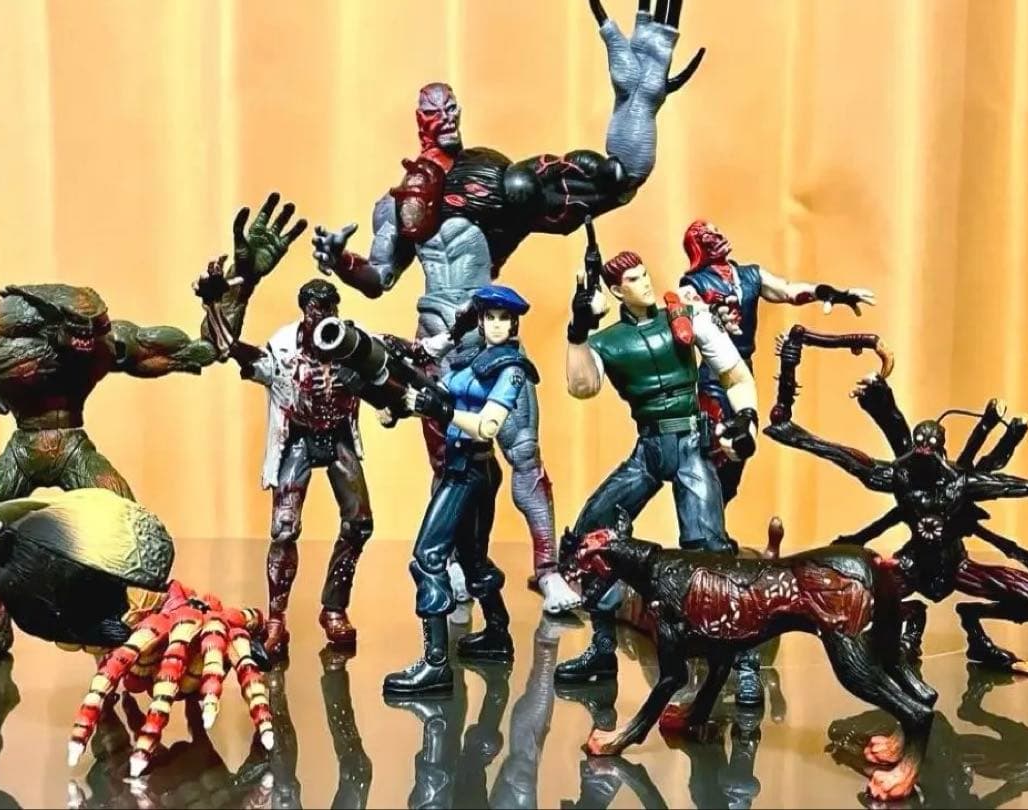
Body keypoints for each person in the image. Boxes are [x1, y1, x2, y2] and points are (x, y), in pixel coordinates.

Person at [312, 0, 707, 614]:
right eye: (436, 112)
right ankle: (457, 567)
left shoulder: (491, 184)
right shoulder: (397, 206)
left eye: (452, 108)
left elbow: (619, 177)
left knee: (523, 456)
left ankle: (548, 570)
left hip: (490, 339)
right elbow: (379, 277)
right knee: (454, 467)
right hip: (437, 348)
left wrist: (640, 100)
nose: (447, 118)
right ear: (420, 122)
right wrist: (340, 260)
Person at [557, 249, 763, 700]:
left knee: (712, 553)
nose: (645, 282)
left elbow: (735, 375)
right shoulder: (608, 342)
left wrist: (746, 418)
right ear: (616, 291)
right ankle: (603, 647)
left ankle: (744, 661)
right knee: (592, 537)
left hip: (690, 444)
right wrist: (578, 329)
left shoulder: (683, 316)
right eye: (633, 279)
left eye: (645, 272)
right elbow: (582, 387)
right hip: (649, 449)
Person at [382, 285, 538, 695]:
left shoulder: (511, 369)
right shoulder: (474, 361)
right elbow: (439, 391)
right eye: (490, 318)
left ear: (514, 323)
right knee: (470, 557)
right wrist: (400, 396)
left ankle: (436, 665)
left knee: (428, 557)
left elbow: (488, 425)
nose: (497, 325)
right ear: (480, 322)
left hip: (471, 469)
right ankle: (498, 634)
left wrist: (439, 410)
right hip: (464, 467)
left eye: (504, 319)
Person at [224, 278, 373, 657]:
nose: (322, 317)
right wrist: (218, 306)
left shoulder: (352, 342)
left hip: (338, 436)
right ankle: (276, 619)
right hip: (299, 439)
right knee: (284, 529)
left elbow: (392, 360)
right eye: (315, 309)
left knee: (359, 523)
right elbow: (234, 350)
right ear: (305, 310)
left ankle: (334, 606)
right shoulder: (283, 349)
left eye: (329, 308)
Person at [679, 219, 875, 504]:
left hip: (744, 371)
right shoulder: (694, 284)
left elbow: (787, 291)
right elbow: (685, 312)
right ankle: (705, 516)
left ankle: (719, 509)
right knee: (716, 448)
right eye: (709, 235)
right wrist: (707, 314)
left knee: (740, 451)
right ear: (699, 247)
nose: (718, 236)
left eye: (717, 230)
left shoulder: (750, 275)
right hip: (715, 373)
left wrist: (829, 293)